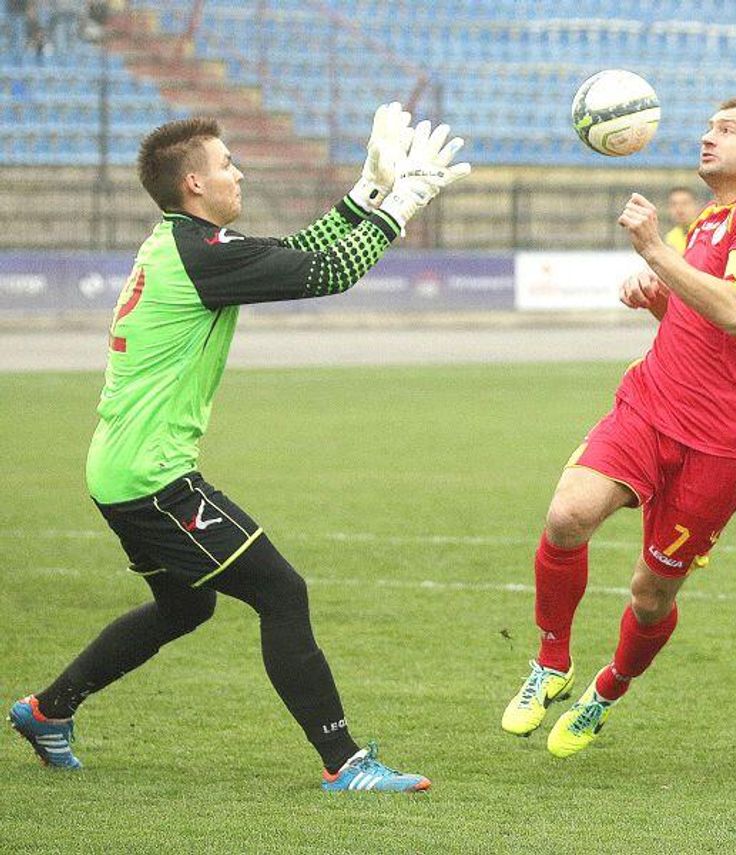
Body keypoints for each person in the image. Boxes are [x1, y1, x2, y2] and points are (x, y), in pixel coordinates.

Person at [7, 105, 470, 792]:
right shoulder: (198, 256)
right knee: (283, 591)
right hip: (151, 479)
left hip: (123, 467)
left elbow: (299, 251)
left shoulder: (188, 245)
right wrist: (402, 203)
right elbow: (332, 271)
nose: (239, 172)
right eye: (227, 164)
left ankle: (48, 710)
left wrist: (365, 194)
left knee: (184, 606)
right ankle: (345, 764)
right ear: (194, 183)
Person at [501, 97, 736, 758]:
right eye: (707, 126)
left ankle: (607, 690)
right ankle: (553, 660)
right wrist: (661, 302)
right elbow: (702, 321)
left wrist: (656, 254)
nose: (706, 136)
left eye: (726, 130)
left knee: (651, 592)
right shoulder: (714, 219)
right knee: (567, 515)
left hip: (723, 442)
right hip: (651, 404)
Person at [662, 185, 702, 253]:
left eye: (685, 203)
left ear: (697, 206)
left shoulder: (707, 233)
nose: (679, 209)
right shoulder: (670, 238)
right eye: (674, 204)